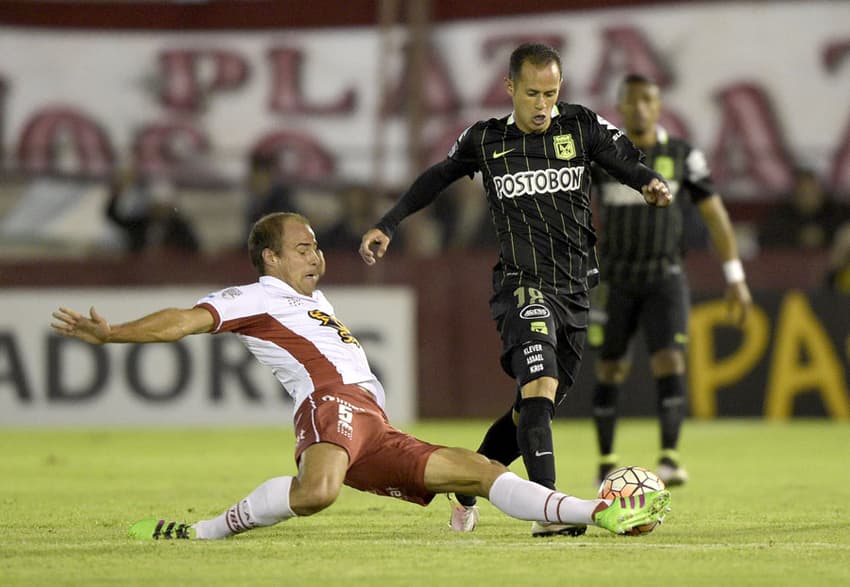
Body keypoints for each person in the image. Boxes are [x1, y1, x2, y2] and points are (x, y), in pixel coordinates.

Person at [50, 212, 671, 541]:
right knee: (318, 494)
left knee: (480, 472)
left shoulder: (306, 300)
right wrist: (113, 333)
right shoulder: (256, 295)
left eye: (317, 245)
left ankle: (596, 514)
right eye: (302, 247)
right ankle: (199, 533)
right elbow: (183, 320)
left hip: (373, 425)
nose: (316, 254)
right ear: (270, 258)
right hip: (331, 407)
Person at [359, 43, 672, 537]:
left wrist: (649, 182)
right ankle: (549, 510)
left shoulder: (581, 126)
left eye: (551, 92)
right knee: (540, 385)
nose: (543, 104)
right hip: (522, 286)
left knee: (532, 407)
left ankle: (469, 483)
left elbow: (623, 161)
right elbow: (436, 178)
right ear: (510, 88)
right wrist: (389, 222)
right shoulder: (485, 140)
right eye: (532, 93)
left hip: (574, 290)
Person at [588, 74, 753, 488]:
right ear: (621, 107)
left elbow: (716, 216)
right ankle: (606, 463)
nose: (640, 108)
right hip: (615, 279)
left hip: (665, 275)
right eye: (632, 101)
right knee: (609, 368)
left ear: (658, 105)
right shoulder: (604, 158)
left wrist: (734, 275)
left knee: (670, 360)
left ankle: (669, 458)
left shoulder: (683, 156)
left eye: (648, 100)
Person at [105, 166, 200, 254]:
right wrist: (117, 191)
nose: (159, 208)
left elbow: (194, 250)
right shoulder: (139, 224)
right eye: (156, 204)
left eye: (163, 204)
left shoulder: (180, 227)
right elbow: (112, 215)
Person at [759, 167, 850, 251]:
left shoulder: (838, 212)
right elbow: (766, 240)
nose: (810, 197)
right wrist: (798, 238)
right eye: (804, 192)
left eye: (813, 192)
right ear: (795, 195)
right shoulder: (780, 215)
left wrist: (824, 237)